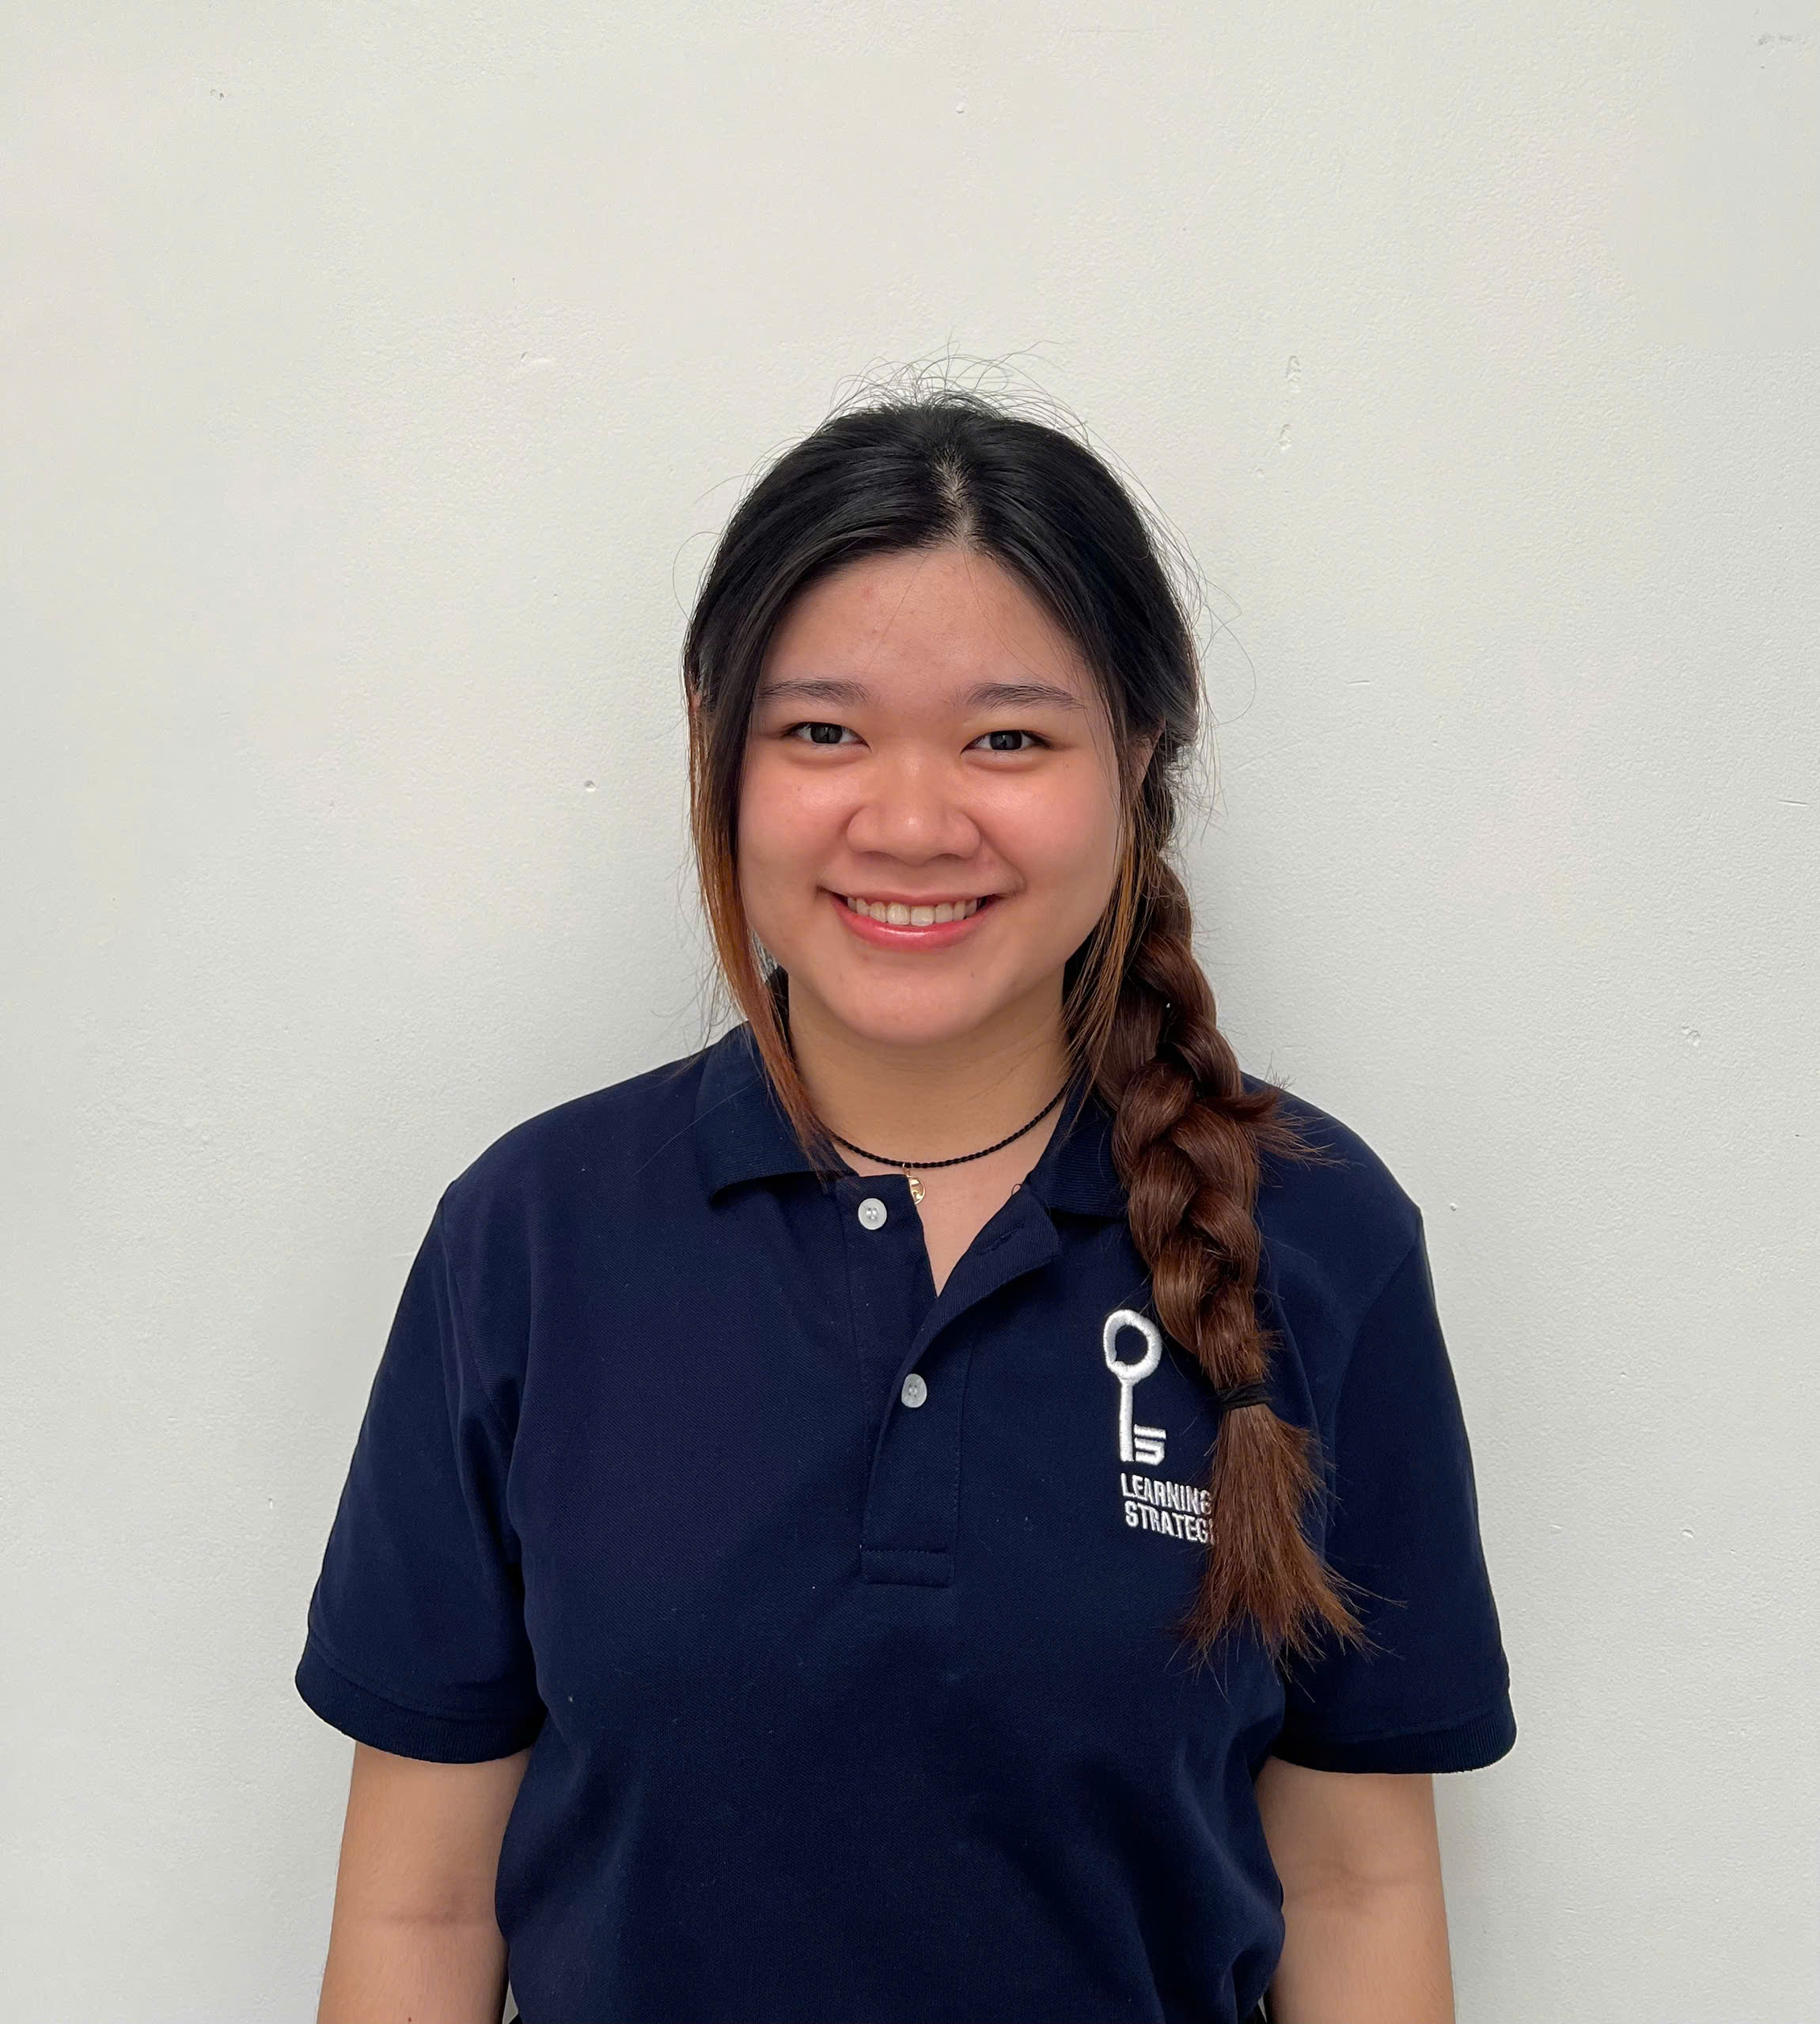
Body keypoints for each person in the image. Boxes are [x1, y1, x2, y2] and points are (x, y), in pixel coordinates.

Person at [295, 386, 1515, 2024]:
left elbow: (1355, 1888)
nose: (914, 823)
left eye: (1008, 737)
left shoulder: (1315, 1236)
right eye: (823, 733)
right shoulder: (532, 1237)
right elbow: (423, 1909)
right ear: (716, 750)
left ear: (1136, 758)